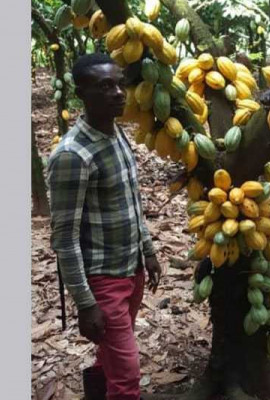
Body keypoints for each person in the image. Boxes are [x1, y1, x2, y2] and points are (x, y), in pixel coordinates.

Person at [47, 53, 164, 400]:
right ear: (81, 93)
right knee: (127, 379)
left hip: (132, 268)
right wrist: (86, 303)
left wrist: (149, 252)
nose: (118, 93)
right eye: (105, 86)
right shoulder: (72, 155)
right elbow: (64, 240)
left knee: (111, 356)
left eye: (119, 84)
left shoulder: (117, 135)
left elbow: (132, 202)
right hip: (103, 280)